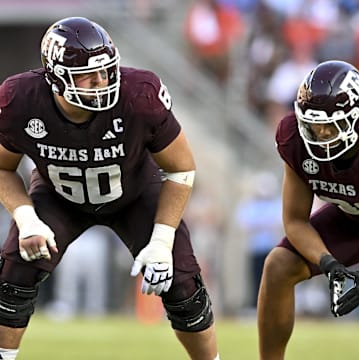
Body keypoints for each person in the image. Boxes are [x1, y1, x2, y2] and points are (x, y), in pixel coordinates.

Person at [0, 17, 219, 360]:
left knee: (183, 286)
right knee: (14, 274)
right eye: (87, 75)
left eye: (105, 71)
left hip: (133, 192)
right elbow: (2, 166)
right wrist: (26, 218)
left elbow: (180, 167)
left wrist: (162, 240)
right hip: (58, 195)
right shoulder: (20, 99)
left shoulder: (139, 94)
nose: (101, 82)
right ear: (56, 77)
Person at [258, 59, 359, 359]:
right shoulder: (296, 142)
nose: (321, 134)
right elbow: (294, 221)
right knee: (278, 266)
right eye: (313, 126)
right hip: (349, 219)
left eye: (330, 125)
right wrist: (329, 264)